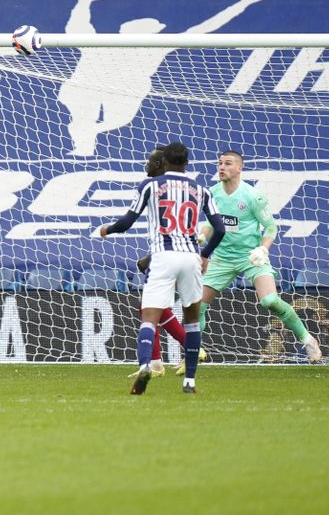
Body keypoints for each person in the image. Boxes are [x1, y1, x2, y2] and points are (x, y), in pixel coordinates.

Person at [59, 0, 271, 156]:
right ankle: (84, 149)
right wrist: (82, 4)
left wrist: (241, 4)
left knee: (113, 121)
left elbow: (204, 28)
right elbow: (78, 29)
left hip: (127, 89)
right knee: (83, 117)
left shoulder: (158, 46)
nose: (158, 31)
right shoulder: (103, 45)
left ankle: (89, 136)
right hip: (88, 85)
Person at [98, 142, 226, 394]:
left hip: (163, 255)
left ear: (164, 162)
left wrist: (107, 229)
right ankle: (189, 381)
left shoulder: (150, 186)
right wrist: (206, 255)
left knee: (149, 317)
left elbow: (126, 222)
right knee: (191, 320)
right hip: (190, 257)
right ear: (186, 163)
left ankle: (147, 364)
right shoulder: (201, 190)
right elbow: (220, 229)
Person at [195, 150, 322, 364]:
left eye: (227, 163)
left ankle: (308, 340)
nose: (221, 167)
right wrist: (202, 236)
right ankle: (194, 351)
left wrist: (262, 249)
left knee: (270, 300)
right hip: (223, 258)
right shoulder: (213, 193)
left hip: (251, 257)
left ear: (239, 168)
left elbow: (270, 228)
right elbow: (211, 223)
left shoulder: (253, 196)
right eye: (220, 163)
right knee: (197, 305)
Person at [129, 146, 206, 378]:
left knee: (150, 308)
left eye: (151, 162)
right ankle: (156, 362)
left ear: (162, 165)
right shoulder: (172, 189)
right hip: (175, 255)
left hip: (175, 258)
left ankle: (165, 357)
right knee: (154, 308)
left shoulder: (158, 189)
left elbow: (178, 233)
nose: (147, 166)